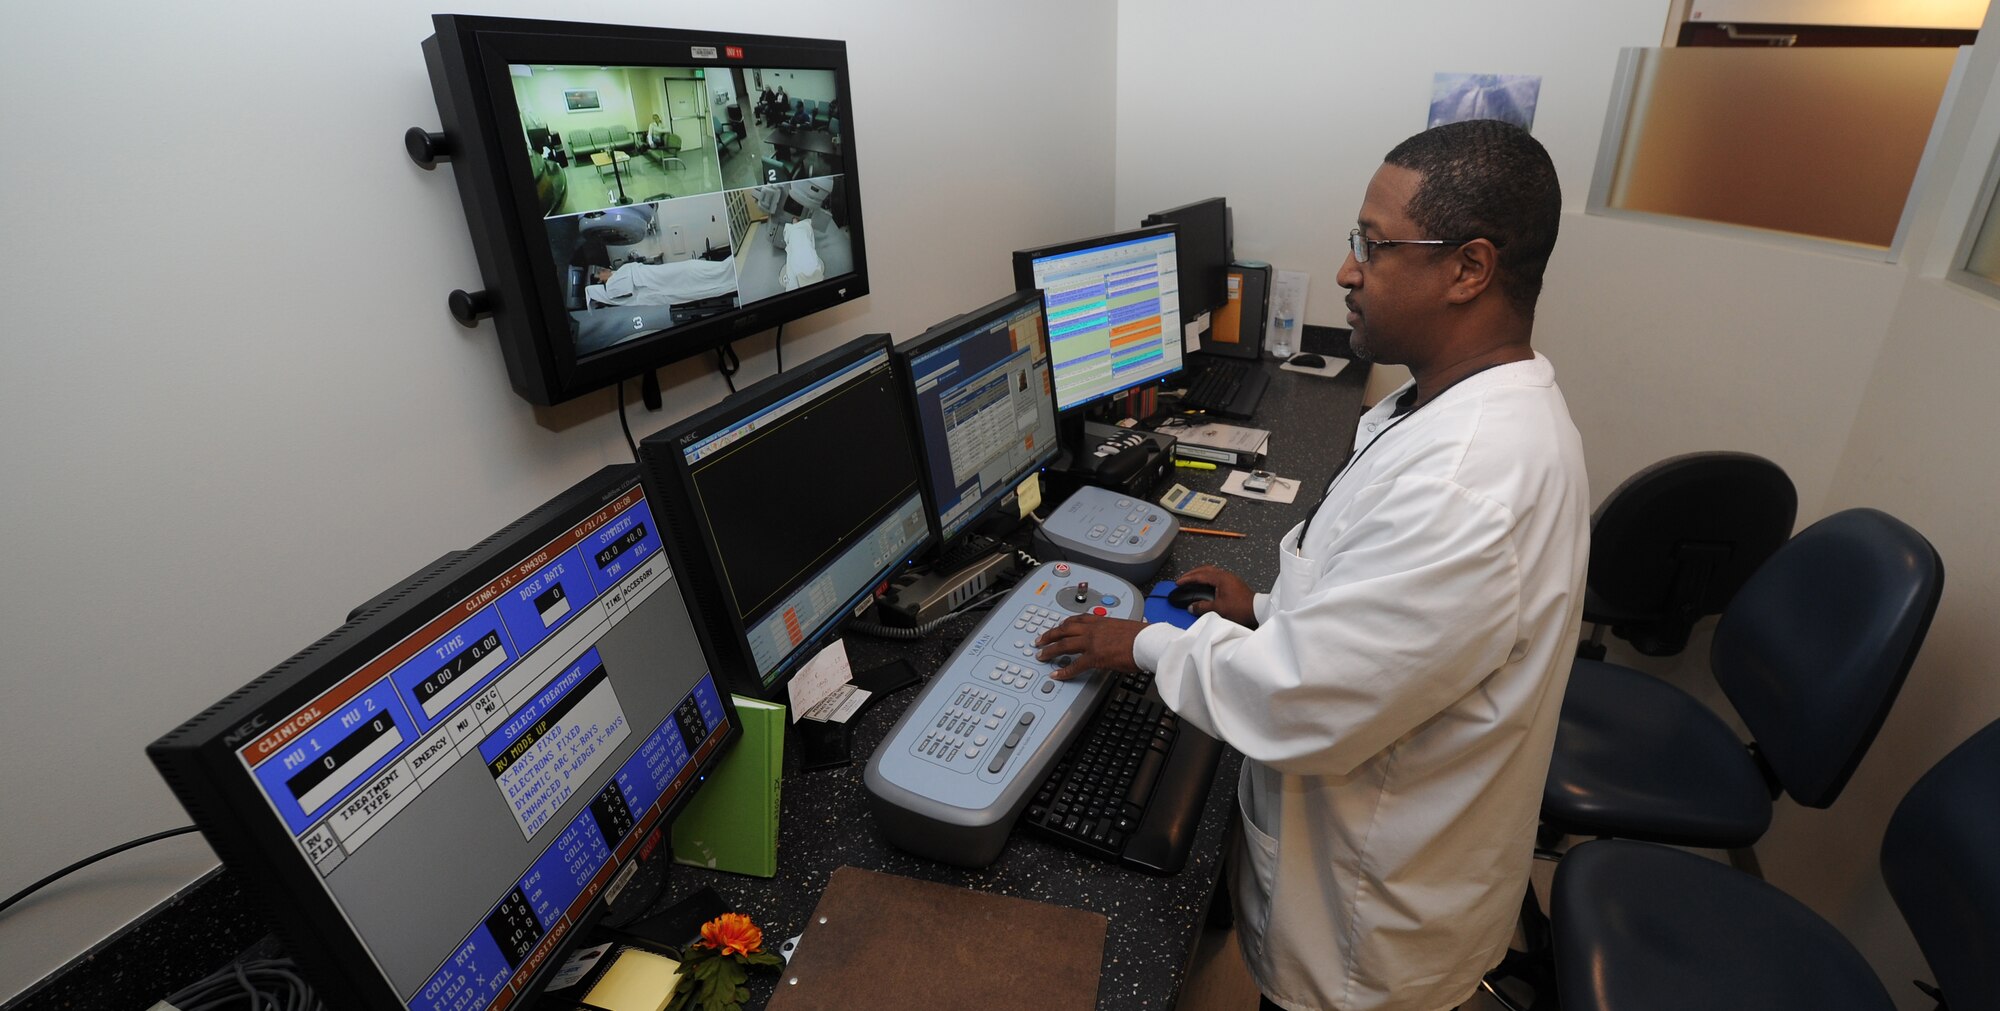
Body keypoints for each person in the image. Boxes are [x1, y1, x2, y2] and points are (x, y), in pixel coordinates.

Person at [1033, 119, 1587, 1011]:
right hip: (1389, 861)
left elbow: (1302, 698)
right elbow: (1384, 607)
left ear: (1469, 268)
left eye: (1373, 244)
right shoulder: (1449, 408)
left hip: (1369, 931)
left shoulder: (1468, 481)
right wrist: (1265, 605)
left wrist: (1140, 643)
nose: (1347, 271)